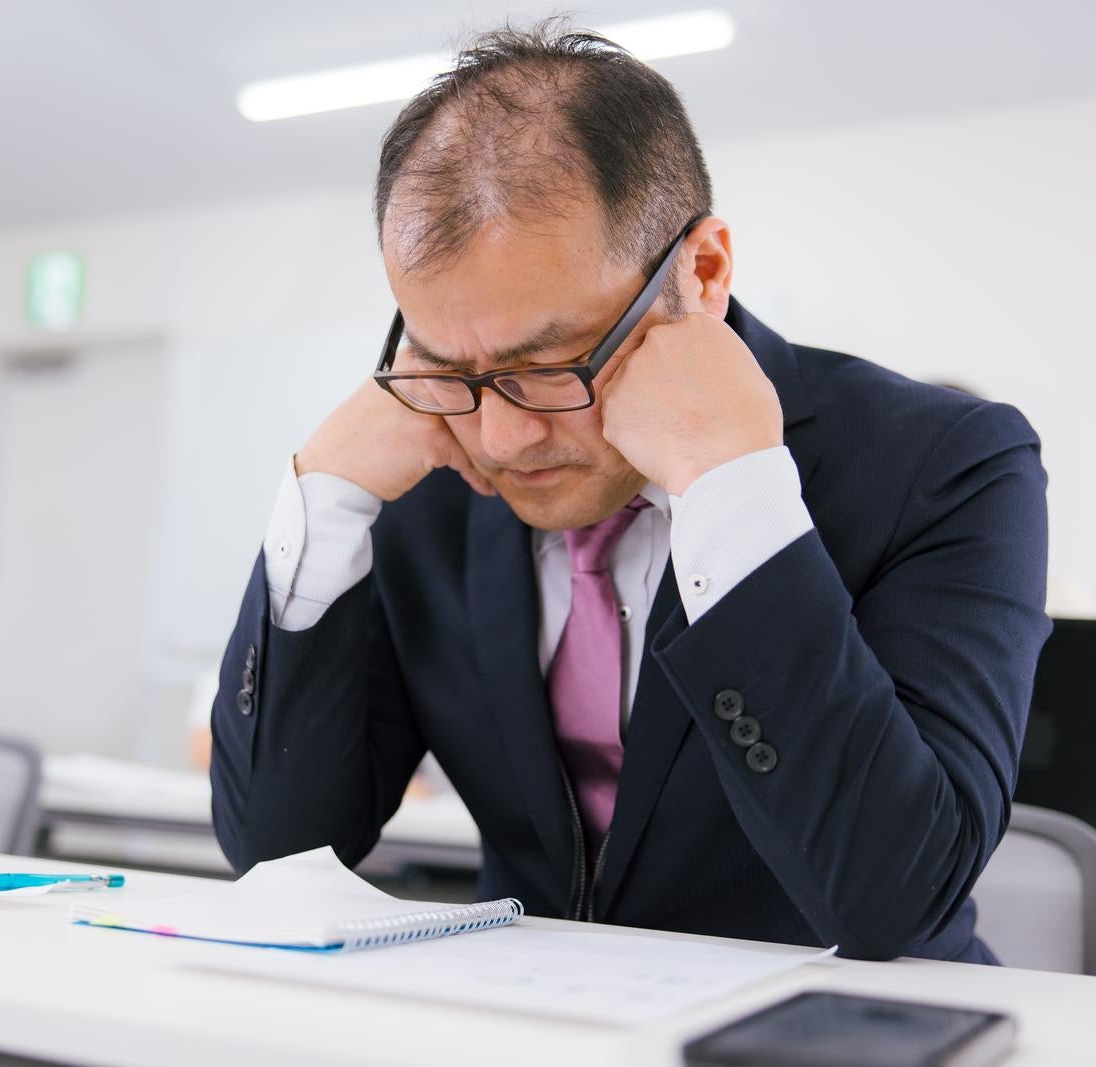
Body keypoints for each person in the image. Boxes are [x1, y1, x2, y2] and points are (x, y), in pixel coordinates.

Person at [209, 25, 1049, 963]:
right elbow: (280, 854)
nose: (502, 435)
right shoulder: (433, 471)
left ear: (702, 275)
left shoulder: (945, 465)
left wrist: (732, 490)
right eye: (451, 368)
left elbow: (895, 896)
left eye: (551, 365)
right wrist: (322, 502)